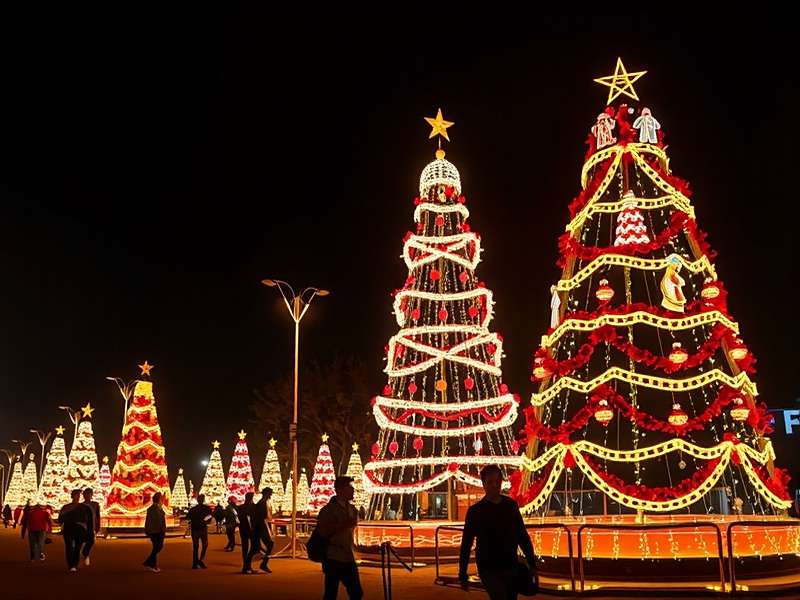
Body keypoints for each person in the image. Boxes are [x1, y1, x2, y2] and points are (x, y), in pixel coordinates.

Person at [458, 464, 537, 600]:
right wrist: (462, 573)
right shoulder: (476, 512)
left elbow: (522, 535)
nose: (494, 485)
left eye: (497, 481)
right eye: (490, 482)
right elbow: (466, 543)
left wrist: (531, 562)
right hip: (489, 568)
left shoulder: (510, 506)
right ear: (484, 484)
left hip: (510, 564)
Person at [316, 476, 362, 600]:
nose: (353, 490)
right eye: (350, 487)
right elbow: (323, 531)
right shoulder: (328, 510)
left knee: (356, 592)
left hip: (348, 556)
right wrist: (343, 525)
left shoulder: (352, 509)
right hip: (333, 557)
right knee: (331, 593)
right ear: (341, 490)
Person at [58, 489, 94, 572]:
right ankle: (71, 564)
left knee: (77, 547)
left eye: (78, 495)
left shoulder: (85, 508)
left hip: (79, 529)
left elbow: (89, 521)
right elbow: (60, 519)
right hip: (68, 528)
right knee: (69, 546)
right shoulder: (66, 507)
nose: (77, 497)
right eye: (76, 495)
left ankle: (74, 564)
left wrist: (90, 531)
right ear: (72, 496)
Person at [248, 487, 275, 573]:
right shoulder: (262, 503)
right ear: (267, 494)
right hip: (261, 527)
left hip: (260, 527)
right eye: (270, 493)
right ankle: (263, 564)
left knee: (255, 548)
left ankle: (249, 565)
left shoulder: (263, 502)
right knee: (268, 545)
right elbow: (260, 518)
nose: (271, 495)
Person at [186, 493, 213, 569]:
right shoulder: (206, 508)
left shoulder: (193, 509)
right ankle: (200, 560)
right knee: (204, 545)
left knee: (196, 546)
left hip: (195, 529)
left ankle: (195, 563)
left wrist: (193, 520)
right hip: (203, 528)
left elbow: (188, 517)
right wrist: (205, 521)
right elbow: (210, 516)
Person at [143, 492, 166, 573]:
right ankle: (149, 563)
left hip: (155, 531)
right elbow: (158, 521)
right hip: (157, 531)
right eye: (161, 499)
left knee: (156, 547)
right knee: (158, 547)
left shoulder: (157, 508)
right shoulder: (154, 509)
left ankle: (153, 565)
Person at [81, 488, 101, 566]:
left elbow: (98, 516)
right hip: (83, 526)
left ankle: (85, 553)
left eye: (89, 494)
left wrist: (98, 526)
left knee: (91, 541)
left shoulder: (95, 504)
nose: (88, 496)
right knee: (80, 541)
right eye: (86, 494)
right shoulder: (81, 505)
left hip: (91, 526)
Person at [237, 492, 255, 574]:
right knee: (251, 547)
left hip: (243, 529)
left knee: (245, 548)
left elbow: (240, 518)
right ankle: (247, 565)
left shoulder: (241, 507)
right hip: (249, 529)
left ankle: (246, 565)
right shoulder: (252, 507)